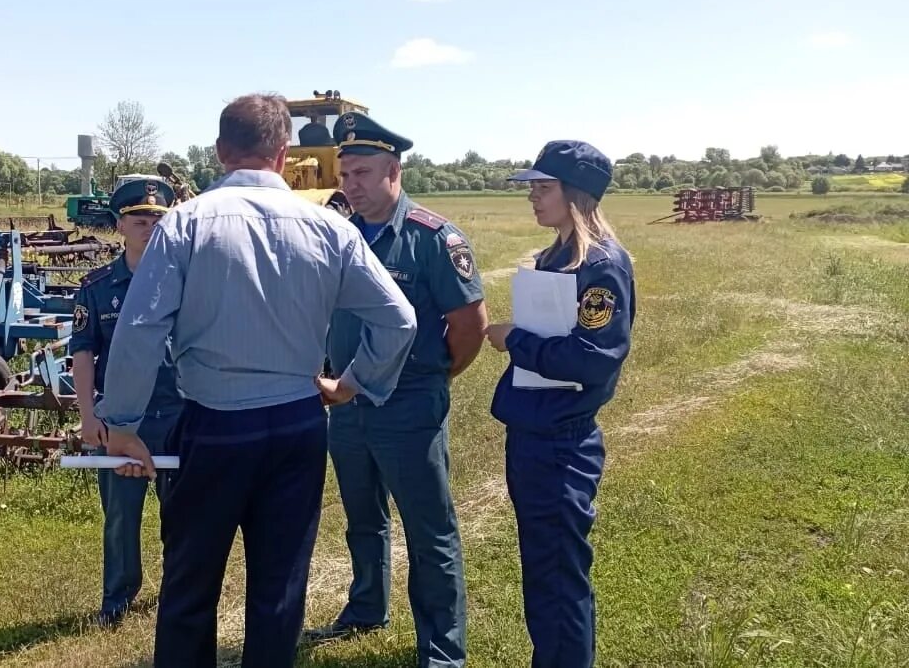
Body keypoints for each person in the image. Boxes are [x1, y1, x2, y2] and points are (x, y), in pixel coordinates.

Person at [93, 92, 418, 668]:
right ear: (284, 150)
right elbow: (398, 319)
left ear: (220, 151)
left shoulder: (186, 224)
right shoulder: (330, 226)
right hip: (296, 424)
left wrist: (120, 423)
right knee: (279, 590)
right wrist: (351, 383)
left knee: (191, 585)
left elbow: (140, 329)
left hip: (213, 425)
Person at [303, 112, 487, 667]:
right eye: (346, 173)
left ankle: (442, 648)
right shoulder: (340, 235)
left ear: (394, 171)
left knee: (429, 529)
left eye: (361, 173)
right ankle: (365, 608)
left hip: (409, 404)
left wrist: (432, 376)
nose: (349, 184)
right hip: (346, 402)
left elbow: (470, 327)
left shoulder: (434, 239)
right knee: (363, 518)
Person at [483, 139, 636, 668]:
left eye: (543, 187)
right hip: (532, 433)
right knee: (543, 569)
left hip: (561, 442)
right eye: (532, 187)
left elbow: (594, 359)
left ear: (576, 194)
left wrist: (514, 340)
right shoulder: (556, 256)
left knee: (557, 574)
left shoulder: (601, 265)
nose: (532, 196)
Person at [69, 176, 183, 629]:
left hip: (178, 415)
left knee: (183, 514)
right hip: (119, 420)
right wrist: (87, 416)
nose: (149, 225)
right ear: (119, 225)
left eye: (158, 218)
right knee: (120, 518)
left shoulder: (185, 282)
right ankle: (117, 598)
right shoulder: (97, 287)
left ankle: (181, 592)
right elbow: (82, 353)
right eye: (139, 218)